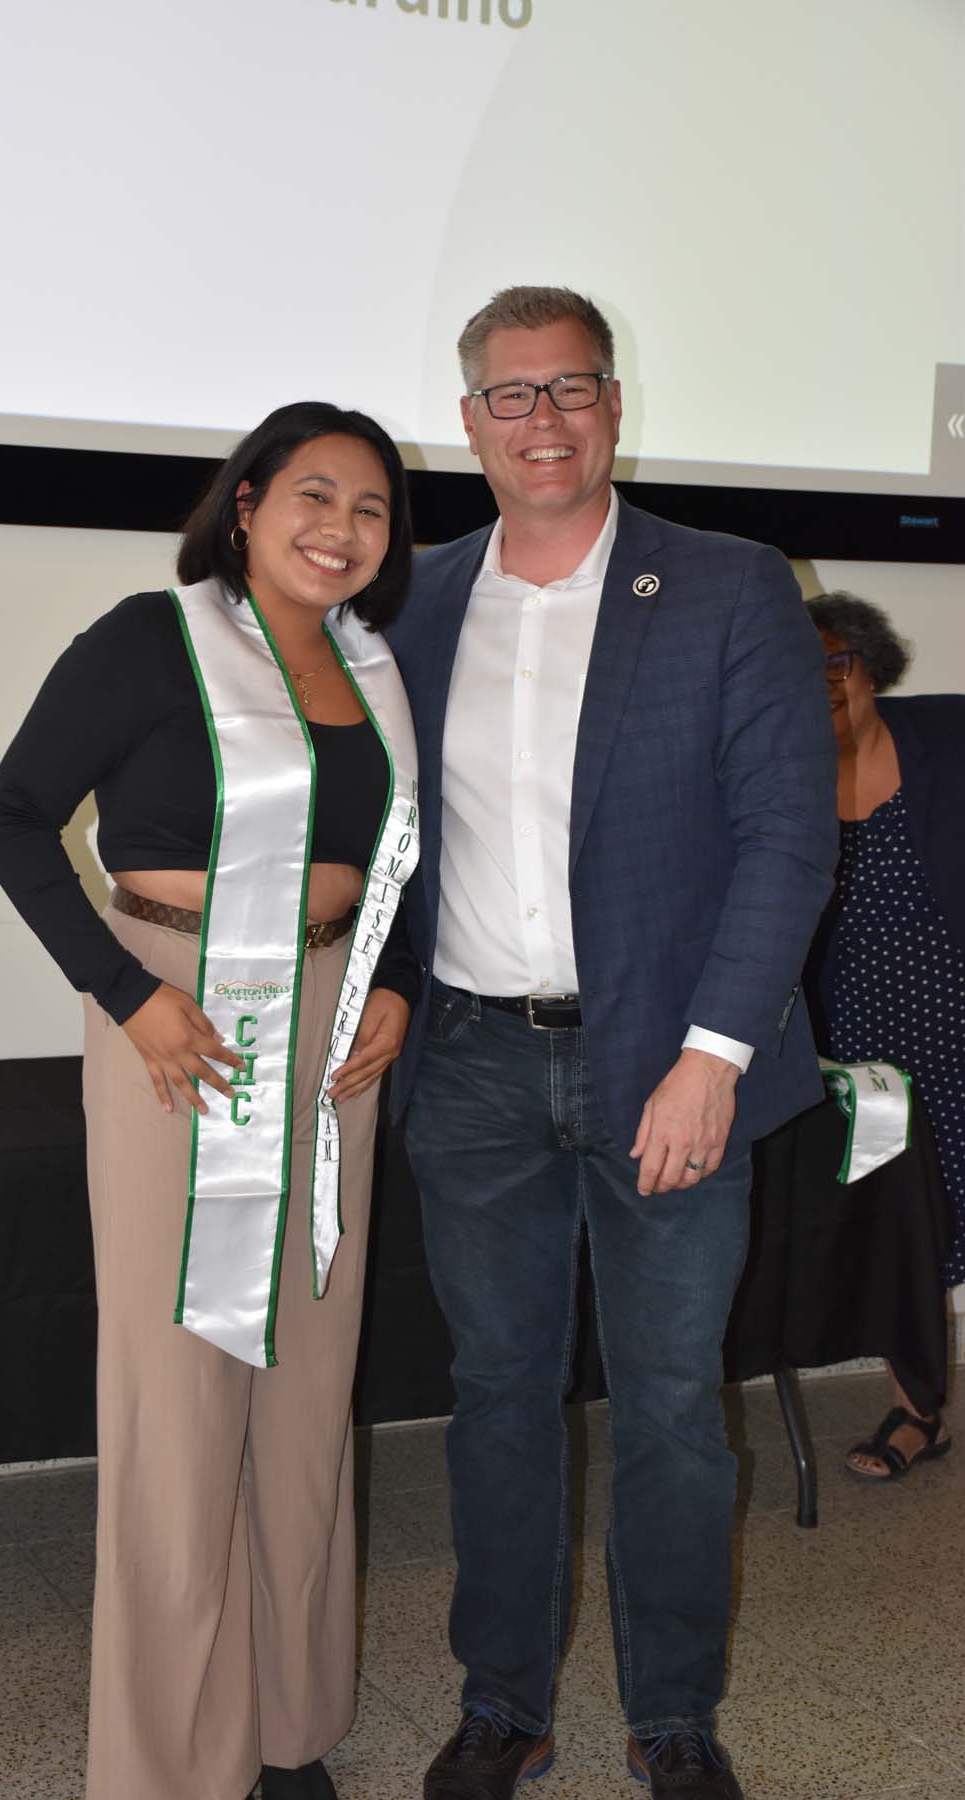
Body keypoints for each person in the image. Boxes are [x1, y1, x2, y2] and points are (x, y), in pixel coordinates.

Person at [384, 286, 837, 1800]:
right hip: (473, 1069)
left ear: (615, 402)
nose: (545, 422)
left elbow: (786, 835)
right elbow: (387, 831)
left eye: (571, 388)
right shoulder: (423, 596)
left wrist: (713, 1055)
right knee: (499, 1396)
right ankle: (503, 1700)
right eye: (511, 397)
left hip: (667, 1069)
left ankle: (674, 1716)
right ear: (469, 425)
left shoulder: (725, 583)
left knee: (664, 1410)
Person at [0, 401, 420, 1800]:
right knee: (182, 1401)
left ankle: (288, 1726)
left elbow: (399, 857)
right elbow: (11, 820)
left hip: (335, 1035)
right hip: (182, 1031)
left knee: (304, 1394)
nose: (340, 528)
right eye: (313, 494)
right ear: (245, 504)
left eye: (369, 508)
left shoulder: (377, 672)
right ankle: (173, 1759)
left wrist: (392, 980)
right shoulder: (147, 640)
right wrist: (128, 994)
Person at [804, 590, 963, 1480]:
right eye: (799, 667)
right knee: (902, 1226)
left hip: (956, 1018)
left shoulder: (944, 737)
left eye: (837, 661)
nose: (822, 682)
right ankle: (919, 1412)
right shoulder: (772, 771)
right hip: (855, 1043)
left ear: (868, 664)